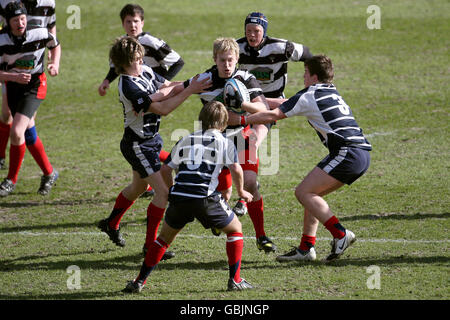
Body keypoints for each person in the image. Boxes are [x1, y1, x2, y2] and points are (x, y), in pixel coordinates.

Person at [230, 55, 372, 261]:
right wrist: (252, 98)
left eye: (305, 73)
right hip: (359, 153)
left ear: (313, 76)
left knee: (304, 192)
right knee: (312, 194)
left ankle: (340, 234)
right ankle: (306, 248)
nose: (303, 76)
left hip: (347, 153)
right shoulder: (329, 91)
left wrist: (240, 118)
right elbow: (288, 102)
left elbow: (273, 115)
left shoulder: (310, 94)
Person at [97, 36, 210, 261]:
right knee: (163, 192)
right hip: (137, 144)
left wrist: (194, 83)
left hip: (151, 140)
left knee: (137, 188)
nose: (140, 62)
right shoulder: (128, 85)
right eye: (135, 60)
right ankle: (150, 245)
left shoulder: (145, 71)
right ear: (124, 63)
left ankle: (110, 223)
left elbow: (167, 86)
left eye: (140, 57)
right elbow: (163, 109)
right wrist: (190, 90)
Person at [123, 101, 254, 293]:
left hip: (180, 198)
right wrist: (242, 192)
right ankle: (235, 280)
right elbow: (235, 168)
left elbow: (166, 168)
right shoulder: (224, 142)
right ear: (224, 122)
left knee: (163, 240)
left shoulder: (186, 139)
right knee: (235, 229)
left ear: (201, 119)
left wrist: (171, 189)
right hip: (205, 198)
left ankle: (138, 282)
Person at [185, 37, 277, 253]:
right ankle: (223, 219)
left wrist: (242, 113)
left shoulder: (245, 77)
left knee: (251, 184)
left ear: (237, 59)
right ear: (214, 60)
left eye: (230, 60)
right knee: (222, 194)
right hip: (215, 142)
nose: (227, 65)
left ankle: (261, 236)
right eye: (222, 60)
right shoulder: (205, 80)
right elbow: (174, 89)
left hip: (241, 136)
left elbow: (263, 109)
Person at [97, 3, 184, 197]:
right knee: (158, 190)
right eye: (128, 21)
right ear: (123, 23)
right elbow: (117, 68)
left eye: (136, 21)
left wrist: (158, 81)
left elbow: (177, 61)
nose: (132, 25)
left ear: (142, 22)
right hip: (141, 99)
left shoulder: (148, 45)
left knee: (139, 185)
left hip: (149, 88)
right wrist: (106, 81)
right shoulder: (122, 50)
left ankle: (112, 222)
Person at [0, 1, 60, 197]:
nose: (21, 23)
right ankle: (49, 173)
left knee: (17, 131)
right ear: (7, 23)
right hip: (14, 87)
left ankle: (10, 180)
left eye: (23, 19)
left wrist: (54, 63)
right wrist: (13, 77)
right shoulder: (1, 42)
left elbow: (55, 46)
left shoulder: (40, 34)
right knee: (29, 133)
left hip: (35, 86)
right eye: (16, 20)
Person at [237, 12, 313, 99]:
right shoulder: (236, 47)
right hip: (249, 99)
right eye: (248, 30)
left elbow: (308, 55)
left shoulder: (281, 47)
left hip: (275, 99)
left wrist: (311, 79)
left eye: (256, 31)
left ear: (264, 32)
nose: (252, 34)